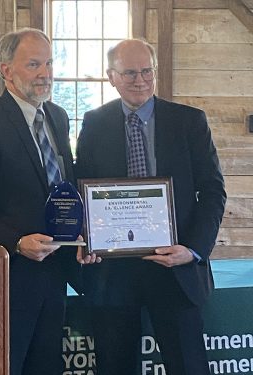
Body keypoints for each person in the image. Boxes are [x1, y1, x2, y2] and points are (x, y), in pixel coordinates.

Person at [75, 39, 226, 375]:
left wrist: (194, 250)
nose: (139, 80)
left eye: (146, 71)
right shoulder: (93, 123)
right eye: (129, 72)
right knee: (115, 367)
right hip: (113, 273)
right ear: (110, 76)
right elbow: (81, 191)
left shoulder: (189, 122)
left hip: (176, 268)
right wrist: (87, 237)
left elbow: (213, 192)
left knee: (189, 367)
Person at [0, 28, 80, 375]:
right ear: (6, 70)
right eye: (34, 64)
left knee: (47, 367)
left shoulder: (57, 117)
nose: (45, 73)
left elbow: (64, 186)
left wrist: (84, 237)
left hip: (56, 273)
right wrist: (16, 242)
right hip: (11, 279)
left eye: (49, 63)